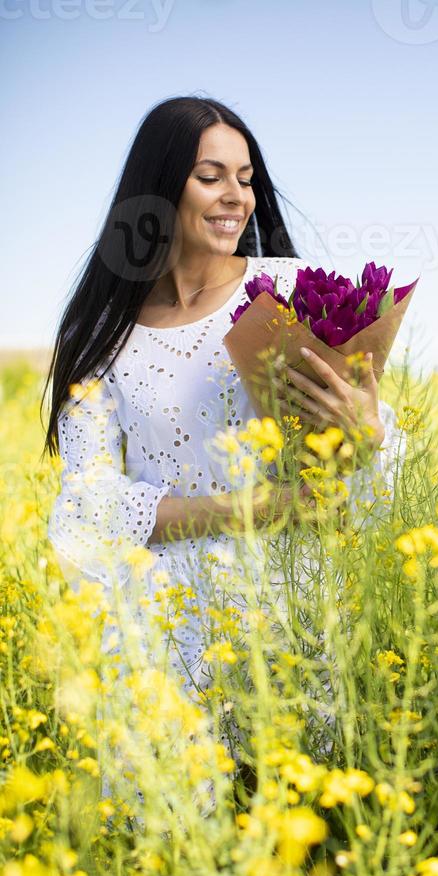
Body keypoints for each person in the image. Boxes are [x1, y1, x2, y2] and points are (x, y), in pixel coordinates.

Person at [41, 95, 406, 705]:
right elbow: (92, 505)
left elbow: (358, 479)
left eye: (246, 179)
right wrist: (266, 505)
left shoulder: (290, 292)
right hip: (160, 636)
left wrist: (367, 433)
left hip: (287, 613)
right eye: (210, 177)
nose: (236, 195)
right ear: (159, 188)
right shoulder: (98, 333)